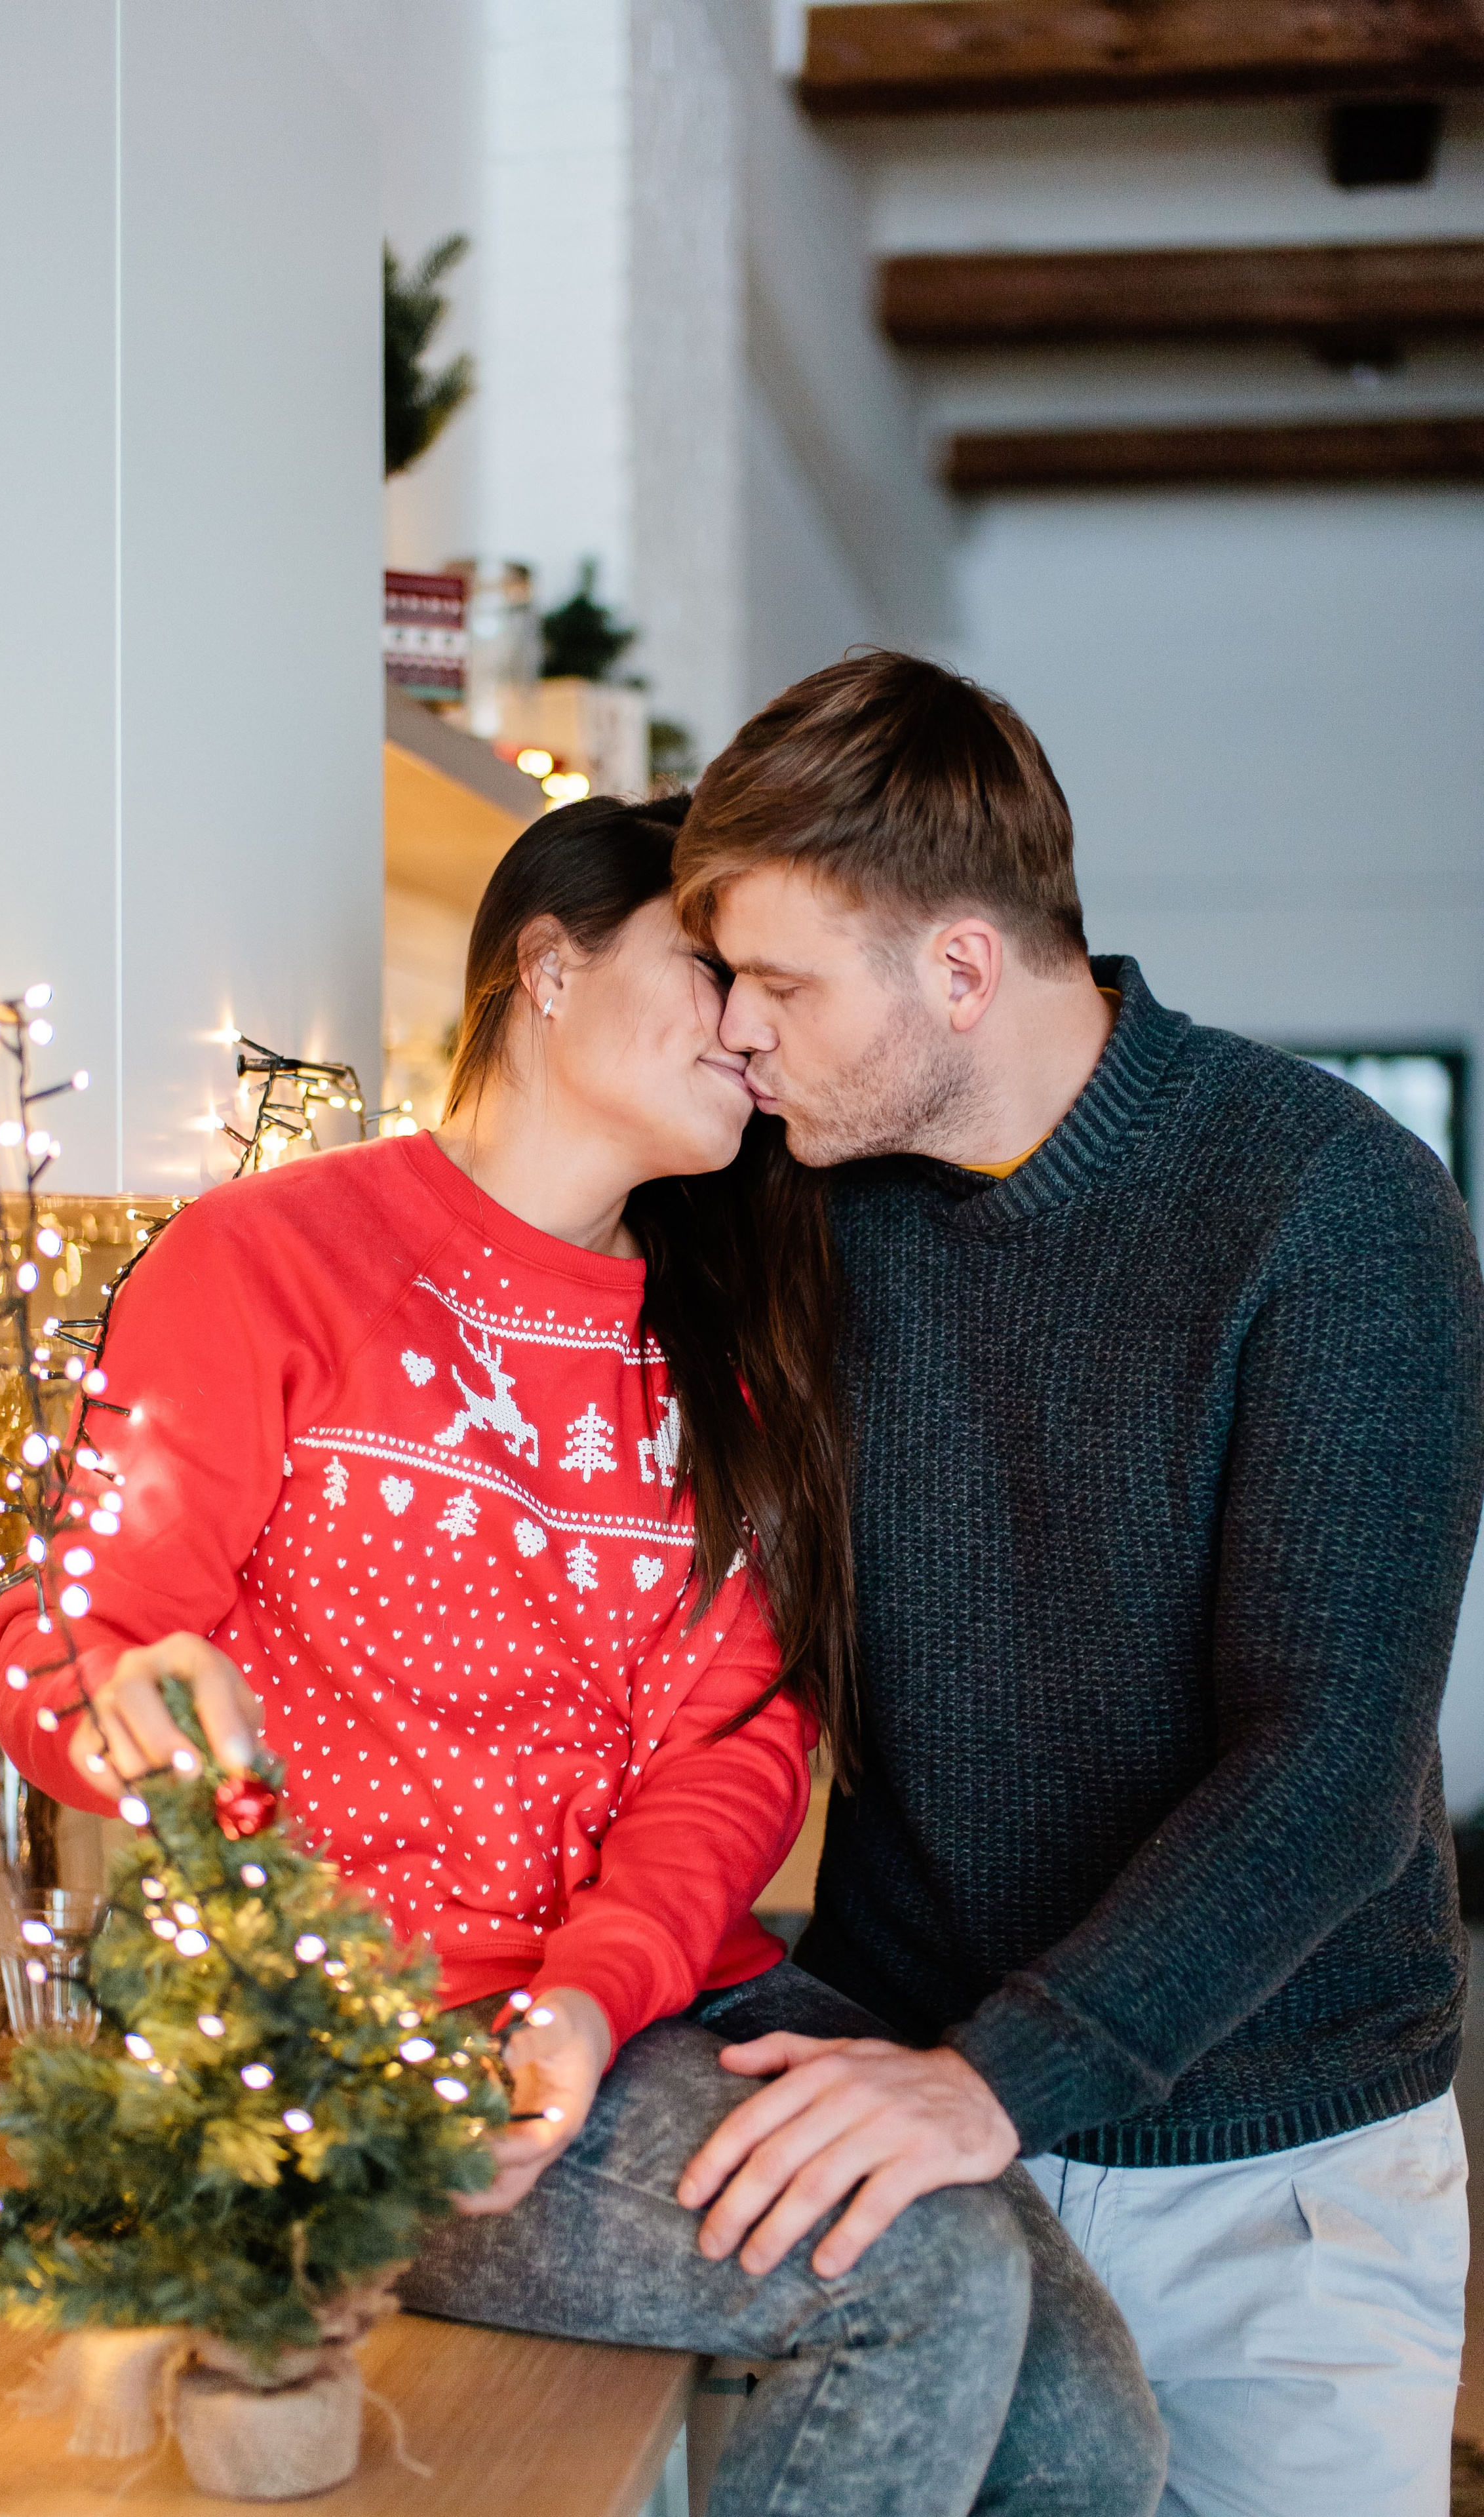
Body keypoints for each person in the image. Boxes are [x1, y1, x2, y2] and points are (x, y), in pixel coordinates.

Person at [0, 792, 1167, 2517]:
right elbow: (74, 1636)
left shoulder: (734, 1351)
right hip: (361, 2069)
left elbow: (740, 1748)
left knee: (1090, 2436)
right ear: (547, 963)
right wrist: (121, 1698)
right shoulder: (267, 1262)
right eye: (713, 968)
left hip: (636, 2018)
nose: (754, 1027)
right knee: (930, 2285)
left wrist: (593, 1988)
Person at [665, 652, 1484, 2517]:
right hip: (915, 2129)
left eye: (782, 984)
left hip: (1265, 2176)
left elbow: (1335, 1761)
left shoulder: (1331, 1207)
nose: (748, 1036)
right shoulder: (808, 1191)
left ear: (959, 968)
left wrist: (1001, 2078)